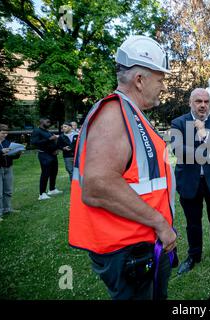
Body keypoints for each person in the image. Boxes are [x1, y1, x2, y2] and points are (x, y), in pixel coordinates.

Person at [69, 35, 177, 300]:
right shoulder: (114, 114)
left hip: (138, 242)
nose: (163, 87)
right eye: (160, 80)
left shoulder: (130, 114)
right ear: (140, 80)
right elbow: (97, 185)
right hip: (127, 247)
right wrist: (160, 223)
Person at [170, 88, 210, 275]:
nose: (203, 105)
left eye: (206, 101)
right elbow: (178, 150)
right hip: (189, 181)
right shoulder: (178, 123)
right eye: (198, 101)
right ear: (190, 103)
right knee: (193, 223)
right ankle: (193, 256)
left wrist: (206, 135)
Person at [0, 124, 22, 224]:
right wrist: (0, 152)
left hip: (8, 168)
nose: (5, 135)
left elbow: (10, 155)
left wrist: (17, 153)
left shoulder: (6, 142)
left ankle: (7, 209)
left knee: (8, 190)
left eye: (6, 133)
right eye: (2, 133)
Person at [31, 118, 63, 200]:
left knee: (54, 172)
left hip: (53, 154)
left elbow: (52, 142)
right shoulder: (37, 131)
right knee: (45, 173)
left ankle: (52, 189)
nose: (49, 123)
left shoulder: (48, 131)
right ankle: (42, 194)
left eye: (50, 121)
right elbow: (34, 143)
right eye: (47, 121)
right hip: (44, 154)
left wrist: (56, 149)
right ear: (41, 122)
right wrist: (49, 139)